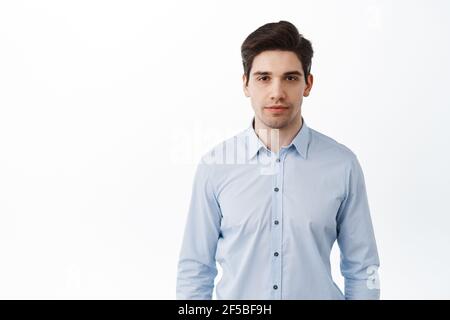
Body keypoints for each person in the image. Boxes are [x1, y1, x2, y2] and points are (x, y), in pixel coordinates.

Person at [176, 20, 380, 300]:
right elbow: (195, 270)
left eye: (290, 77)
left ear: (308, 84)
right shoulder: (215, 167)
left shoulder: (342, 166)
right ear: (245, 84)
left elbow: (362, 268)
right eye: (263, 78)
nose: (277, 92)